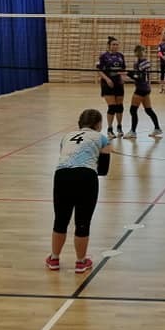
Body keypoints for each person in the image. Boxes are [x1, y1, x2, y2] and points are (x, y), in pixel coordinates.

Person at [46, 109, 112, 274]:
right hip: (86, 177)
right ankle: (80, 262)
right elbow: (103, 170)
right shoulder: (102, 138)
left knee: (61, 219)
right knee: (82, 221)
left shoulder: (66, 136)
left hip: (62, 175)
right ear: (98, 124)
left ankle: (54, 258)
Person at [125, 45, 163, 139]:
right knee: (148, 110)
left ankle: (133, 131)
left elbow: (139, 77)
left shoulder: (144, 63)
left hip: (141, 88)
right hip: (145, 88)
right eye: (138, 51)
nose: (140, 53)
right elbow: (137, 75)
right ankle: (157, 128)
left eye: (141, 51)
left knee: (133, 110)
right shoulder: (138, 63)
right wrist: (130, 74)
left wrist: (129, 74)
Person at [96, 36, 126, 139]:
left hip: (118, 84)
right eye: (113, 44)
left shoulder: (121, 56)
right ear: (109, 45)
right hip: (107, 84)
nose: (115, 46)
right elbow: (99, 70)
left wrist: (122, 77)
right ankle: (109, 129)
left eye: (117, 44)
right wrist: (107, 79)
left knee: (119, 107)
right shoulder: (104, 56)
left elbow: (122, 70)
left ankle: (119, 127)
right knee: (112, 107)